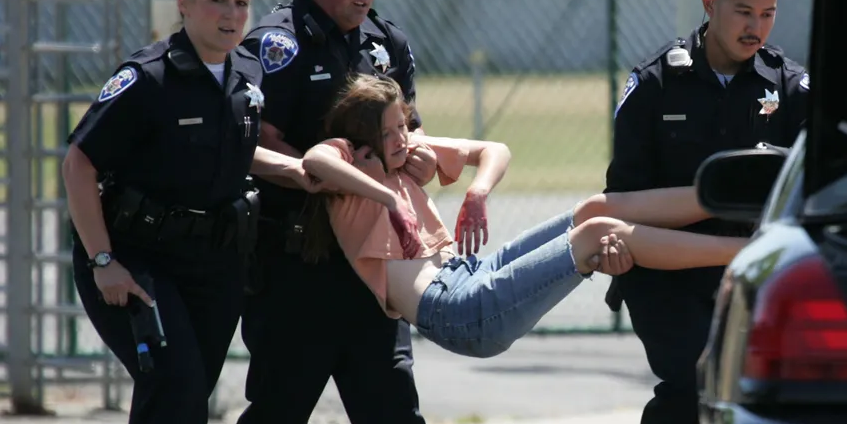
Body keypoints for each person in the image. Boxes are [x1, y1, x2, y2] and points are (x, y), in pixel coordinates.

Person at [207, 0, 496, 424]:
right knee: (279, 414)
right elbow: (259, 138)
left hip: (373, 260)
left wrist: (414, 161)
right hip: (296, 265)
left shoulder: (385, 44)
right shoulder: (277, 44)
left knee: (393, 401)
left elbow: (406, 133)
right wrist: (341, 173)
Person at [64, 0, 309, 424]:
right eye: (217, 2)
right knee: (177, 389)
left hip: (213, 267)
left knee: (167, 403)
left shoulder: (248, 72)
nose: (231, 15)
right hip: (133, 263)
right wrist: (102, 263)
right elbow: (79, 163)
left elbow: (239, 152)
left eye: (241, 3)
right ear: (184, 4)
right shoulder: (147, 78)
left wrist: (308, 173)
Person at [605, 0, 811, 424]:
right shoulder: (654, 85)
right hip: (666, 275)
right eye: (743, 11)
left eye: (769, 14)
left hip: (745, 278)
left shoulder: (793, 90)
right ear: (709, 3)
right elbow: (623, 197)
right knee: (695, 384)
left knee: (735, 404)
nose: (756, 27)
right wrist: (615, 243)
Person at [297, 75, 745, 358]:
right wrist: (386, 195)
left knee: (594, 209)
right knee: (597, 234)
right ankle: (747, 251)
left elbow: (496, 150)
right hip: (457, 310)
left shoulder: (407, 150)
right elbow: (315, 163)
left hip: (470, 273)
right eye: (388, 130)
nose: (401, 138)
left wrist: (477, 190)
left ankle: (737, 197)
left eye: (403, 126)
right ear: (363, 134)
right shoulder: (350, 161)